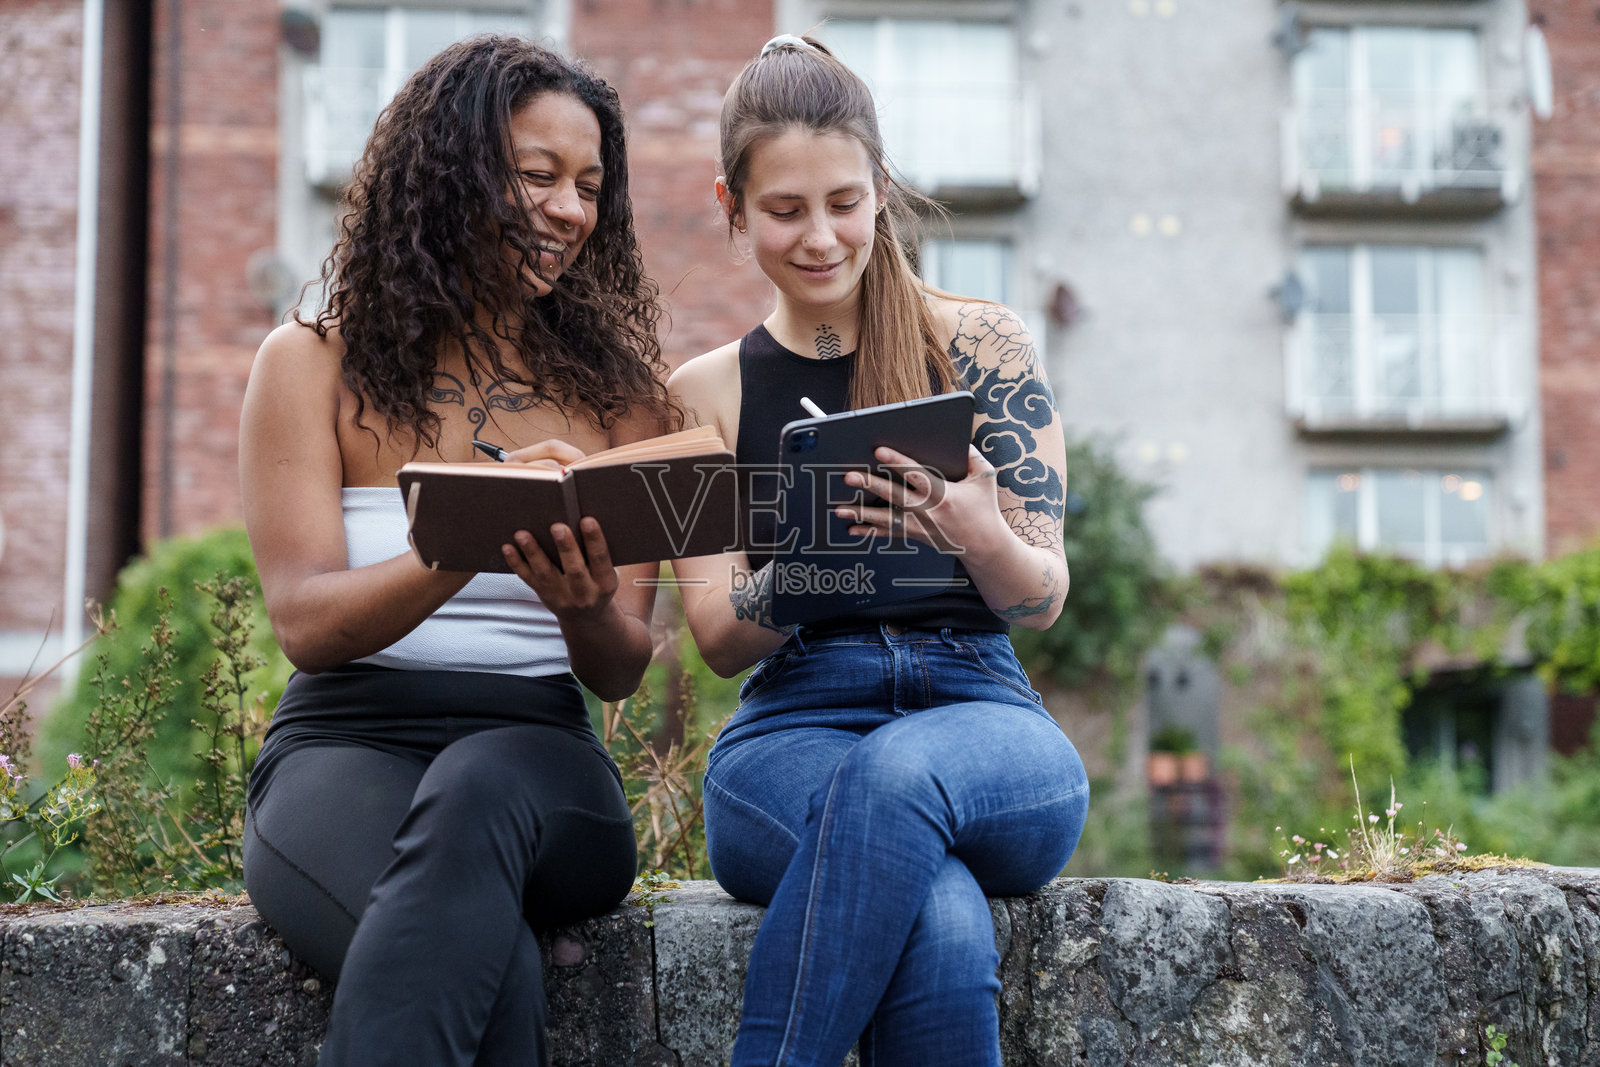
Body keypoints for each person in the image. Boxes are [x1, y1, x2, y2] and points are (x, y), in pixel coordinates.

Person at [238, 36, 674, 1066]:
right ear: (450, 175)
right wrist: (474, 535)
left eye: (588, 186)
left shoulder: (625, 399)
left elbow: (619, 662)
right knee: (501, 976)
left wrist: (575, 597)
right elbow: (305, 623)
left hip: (543, 760)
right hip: (343, 749)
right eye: (536, 176)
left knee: (481, 778)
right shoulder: (309, 363)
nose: (569, 209)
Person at [667, 34, 1091, 1067]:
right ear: (731, 206)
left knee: (897, 777)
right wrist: (816, 559)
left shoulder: (983, 342)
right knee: (938, 907)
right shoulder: (702, 392)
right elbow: (718, 636)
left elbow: (1039, 597)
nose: (820, 236)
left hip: (984, 714)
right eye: (783, 210)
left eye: (844, 202)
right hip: (792, 729)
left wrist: (976, 530)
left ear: (881, 189)